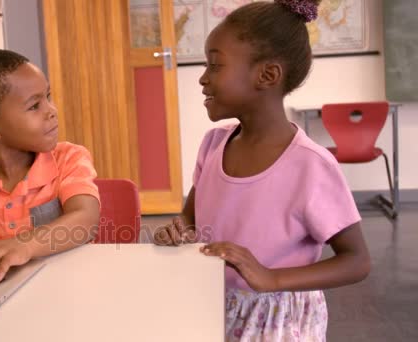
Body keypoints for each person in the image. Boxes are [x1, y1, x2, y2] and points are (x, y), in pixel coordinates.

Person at [153, 1, 370, 340]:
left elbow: (356, 260)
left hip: (277, 321)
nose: (203, 77)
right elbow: (191, 219)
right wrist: (179, 230)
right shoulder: (213, 145)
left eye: (215, 65)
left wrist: (272, 278)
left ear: (267, 75)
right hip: (212, 304)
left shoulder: (311, 167)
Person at [0, 49, 100, 284]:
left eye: (47, 97)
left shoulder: (68, 158)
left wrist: (25, 245)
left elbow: (86, 218)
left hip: (67, 284)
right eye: (34, 106)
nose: (51, 111)